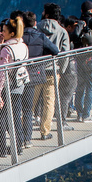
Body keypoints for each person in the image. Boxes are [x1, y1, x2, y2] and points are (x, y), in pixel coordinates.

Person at [0, 16, 29, 157]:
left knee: (1, 117)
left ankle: (2, 148)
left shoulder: (6, 50)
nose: (2, 33)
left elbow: (1, 73)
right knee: (15, 116)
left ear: (11, 34)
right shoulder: (23, 46)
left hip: (6, 87)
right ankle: (18, 145)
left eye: (4, 31)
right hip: (19, 86)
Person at [21, 10, 59, 145]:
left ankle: (21, 136)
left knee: (24, 108)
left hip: (20, 75)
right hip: (37, 74)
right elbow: (55, 51)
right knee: (47, 102)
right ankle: (42, 132)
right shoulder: (41, 37)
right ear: (35, 23)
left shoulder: (20, 37)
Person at [38, 3, 70, 139]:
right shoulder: (62, 31)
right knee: (49, 102)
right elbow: (65, 53)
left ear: (46, 14)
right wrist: (60, 70)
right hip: (53, 70)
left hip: (36, 69)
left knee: (30, 103)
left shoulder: (36, 28)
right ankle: (45, 131)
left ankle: (23, 132)